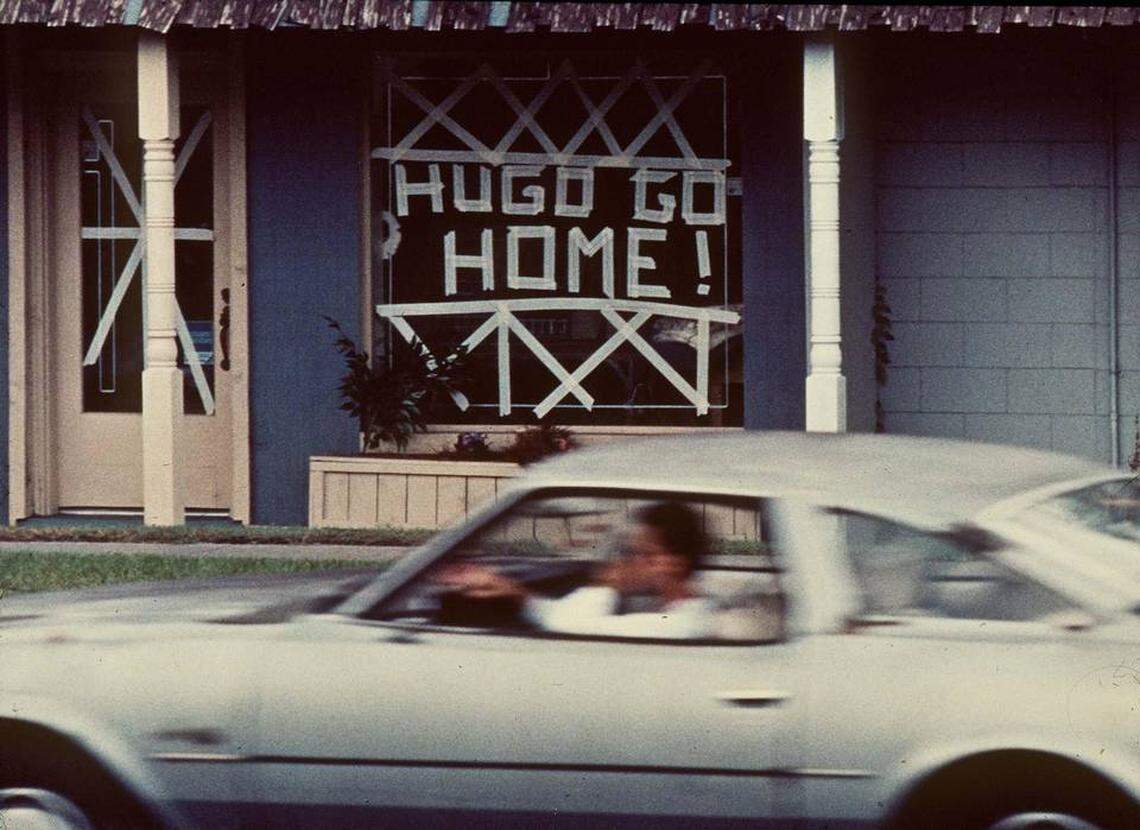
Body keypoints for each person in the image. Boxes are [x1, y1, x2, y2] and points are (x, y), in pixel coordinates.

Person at [438, 501, 717, 639]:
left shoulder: (677, 626)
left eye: (642, 554)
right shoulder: (688, 610)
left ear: (674, 564)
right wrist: (515, 592)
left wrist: (606, 585)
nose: (628, 561)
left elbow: (574, 629)